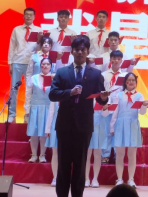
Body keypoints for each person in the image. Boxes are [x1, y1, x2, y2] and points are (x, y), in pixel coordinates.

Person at [49, 36, 109, 197]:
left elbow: (100, 98)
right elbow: (52, 94)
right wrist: (70, 92)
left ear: (88, 51)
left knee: (80, 165)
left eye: (83, 50)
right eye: (77, 50)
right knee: (63, 164)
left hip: (84, 126)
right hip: (64, 125)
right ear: (72, 52)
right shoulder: (62, 72)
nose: (80, 53)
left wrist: (104, 98)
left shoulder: (96, 74)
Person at [109, 73, 148, 188]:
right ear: (125, 82)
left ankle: (131, 179)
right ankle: (119, 179)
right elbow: (115, 112)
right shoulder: (119, 95)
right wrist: (112, 127)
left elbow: (142, 112)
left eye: (133, 80)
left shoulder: (139, 95)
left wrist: (144, 105)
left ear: (136, 82)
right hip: (120, 125)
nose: (131, 82)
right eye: (129, 80)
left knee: (132, 154)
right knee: (120, 154)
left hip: (133, 125)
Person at [7, 7, 42, 123]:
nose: (28, 16)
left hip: (31, 63)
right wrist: (10, 63)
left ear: (34, 17)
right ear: (23, 16)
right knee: (14, 89)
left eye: (31, 15)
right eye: (27, 14)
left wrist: (39, 41)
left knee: (30, 90)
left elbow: (39, 49)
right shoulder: (16, 29)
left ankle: (28, 114)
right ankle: (12, 114)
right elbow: (12, 47)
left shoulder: (38, 30)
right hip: (17, 61)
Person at [100, 50, 126, 163]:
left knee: (118, 132)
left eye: (118, 59)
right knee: (106, 131)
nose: (116, 61)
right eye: (114, 58)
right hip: (107, 105)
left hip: (119, 107)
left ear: (121, 61)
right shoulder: (103, 75)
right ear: (110, 60)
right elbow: (100, 90)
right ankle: (105, 155)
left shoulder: (124, 75)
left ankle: (117, 155)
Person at [26, 57, 53, 163]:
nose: (45, 66)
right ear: (40, 65)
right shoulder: (34, 77)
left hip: (47, 108)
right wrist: (27, 108)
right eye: (43, 64)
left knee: (44, 132)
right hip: (35, 107)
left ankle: (42, 155)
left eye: (48, 64)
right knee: (34, 132)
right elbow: (28, 93)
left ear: (51, 66)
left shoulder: (54, 78)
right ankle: (33, 155)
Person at [25, 36, 53, 121]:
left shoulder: (54, 56)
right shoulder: (34, 56)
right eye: (44, 42)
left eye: (48, 43)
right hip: (35, 85)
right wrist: (28, 83)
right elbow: (29, 72)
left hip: (48, 87)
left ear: (51, 46)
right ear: (41, 45)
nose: (46, 44)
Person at [45, 100, 60, 186]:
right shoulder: (55, 97)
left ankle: (64, 177)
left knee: (66, 155)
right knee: (55, 153)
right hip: (55, 127)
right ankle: (55, 177)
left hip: (68, 128)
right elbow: (51, 113)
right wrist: (48, 128)